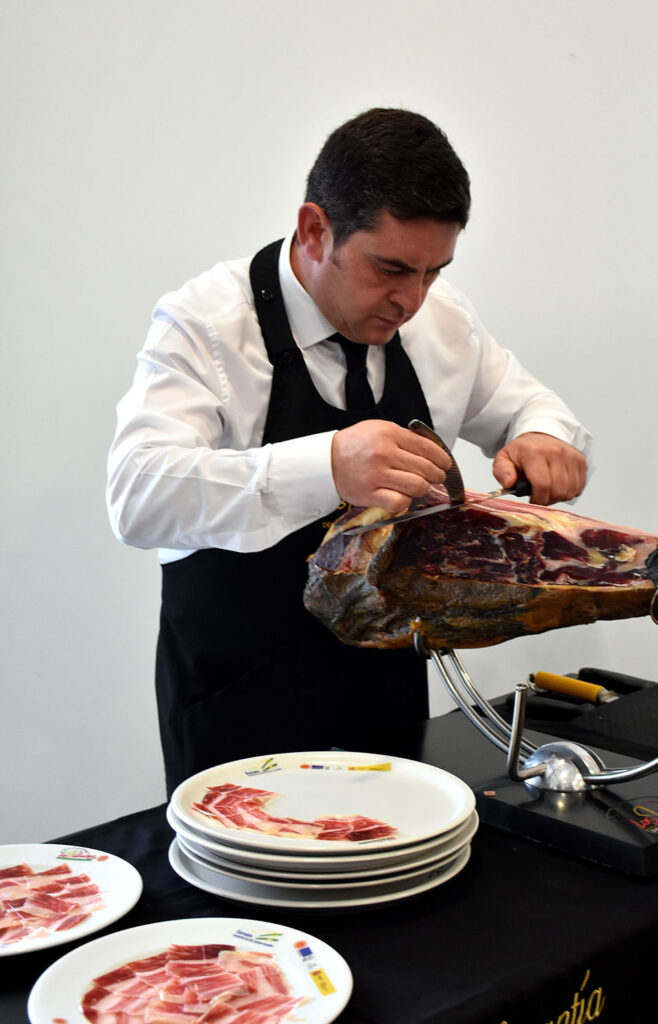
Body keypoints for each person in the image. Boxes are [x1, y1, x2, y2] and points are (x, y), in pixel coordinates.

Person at [106, 107, 591, 795]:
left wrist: (546, 437)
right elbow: (136, 494)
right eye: (391, 268)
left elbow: (529, 407)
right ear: (314, 230)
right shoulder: (206, 325)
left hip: (386, 698)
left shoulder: (441, 318)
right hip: (238, 707)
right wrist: (327, 465)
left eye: (432, 271)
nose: (412, 299)